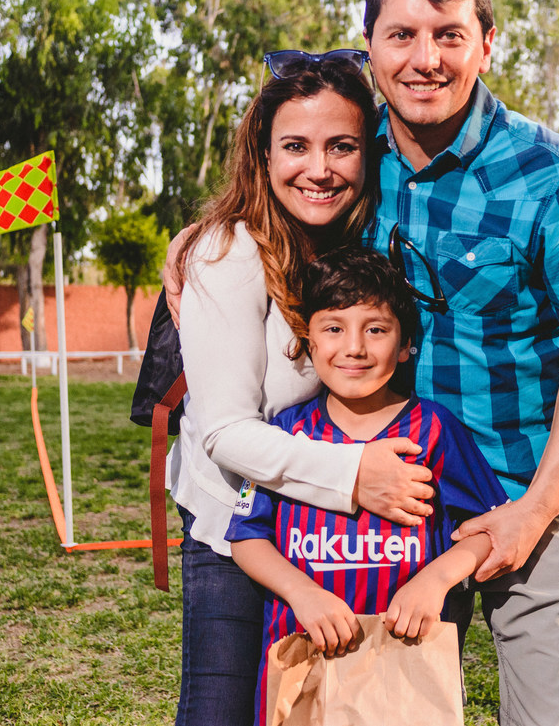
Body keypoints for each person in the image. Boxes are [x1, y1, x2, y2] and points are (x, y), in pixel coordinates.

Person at [166, 0, 559, 725]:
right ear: (371, 49)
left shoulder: (552, 175)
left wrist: (537, 507)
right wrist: (196, 239)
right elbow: (281, 188)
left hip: (527, 497)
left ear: (487, 43)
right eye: (403, 35)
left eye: (450, 34)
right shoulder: (357, 157)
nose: (426, 59)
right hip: (398, 511)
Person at [167, 53, 438, 726]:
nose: (319, 167)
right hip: (237, 533)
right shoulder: (228, 251)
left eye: (341, 146)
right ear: (262, 154)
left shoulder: (353, 249)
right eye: (295, 145)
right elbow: (225, 431)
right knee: (222, 713)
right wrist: (357, 475)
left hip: (321, 540)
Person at [226, 246, 508, 725]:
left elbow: (489, 529)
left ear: (404, 345)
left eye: (375, 329)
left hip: (405, 659)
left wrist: (435, 581)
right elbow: (246, 538)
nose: (354, 347)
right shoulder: (284, 436)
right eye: (333, 328)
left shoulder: (434, 430)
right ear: (307, 340)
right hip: (302, 656)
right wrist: (303, 594)